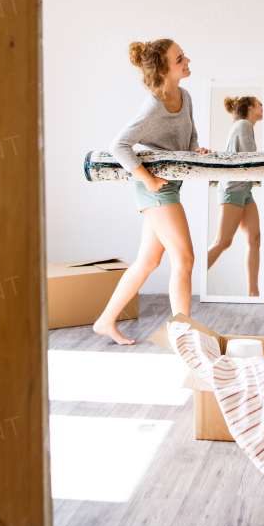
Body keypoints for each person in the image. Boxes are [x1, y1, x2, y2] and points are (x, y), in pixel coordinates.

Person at [93, 39, 210, 344]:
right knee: (184, 259)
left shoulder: (185, 95)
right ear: (162, 69)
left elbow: (189, 136)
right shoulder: (152, 104)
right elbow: (118, 145)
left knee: (147, 262)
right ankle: (182, 334)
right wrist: (146, 178)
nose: (187, 60)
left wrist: (197, 150)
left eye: (183, 55)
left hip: (169, 188)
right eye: (179, 58)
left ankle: (105, 321)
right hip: (158, 191)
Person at [206, 96, 264, 297]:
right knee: (223, 242)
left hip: (244, 188)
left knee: (254, 239)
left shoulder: (244, 125)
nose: (262, 108)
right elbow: (250, 158)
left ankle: (253, 293)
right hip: (233, 188)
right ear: (249, 107)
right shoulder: (243, 125)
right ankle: (188, 278)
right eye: (260, 104)